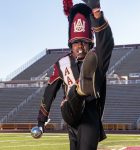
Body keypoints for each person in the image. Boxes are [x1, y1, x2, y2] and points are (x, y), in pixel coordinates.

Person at [32, 0, 114, 149]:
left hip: (90, 116)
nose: (80, 46)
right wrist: (41, 121)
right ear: (70, 44)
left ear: (90, 44)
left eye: (84, 42)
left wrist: (96, 12)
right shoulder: (61, 63)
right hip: (70, 117)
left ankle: (80, 90)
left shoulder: (97, 58)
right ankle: (78, 91)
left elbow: (107, 43)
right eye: (76, 43)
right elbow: (49, 91)